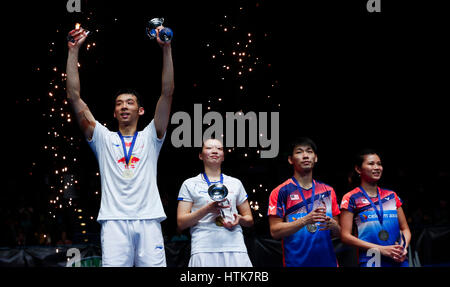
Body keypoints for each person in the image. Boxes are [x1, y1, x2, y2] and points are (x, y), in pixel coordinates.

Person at [65, 25, 174, 266]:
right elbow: (74, 97)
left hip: (149, 221)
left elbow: (167, 93)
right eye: (119, 104)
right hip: (114, 223)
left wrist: (166, 49)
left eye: (130, 102)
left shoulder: (151, 136)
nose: (124, 106)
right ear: (114, 113)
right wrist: (73, 52)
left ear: (141, 110)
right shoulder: (103, 139)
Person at [177, 138, 254, 267]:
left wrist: (239, 219)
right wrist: (207, 209)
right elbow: (181, 223)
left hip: (235, 245)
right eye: (209, 148)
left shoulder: (236, 183)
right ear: (201, 156)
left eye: (219, 149)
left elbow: (250, 220)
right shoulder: (189, 184)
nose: (214, 151)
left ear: (223, 156)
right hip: (203, 247)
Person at [268, 137, 341, 267]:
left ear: (316, 158)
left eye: (309, 151)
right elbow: (275, 231)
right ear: (291, 160)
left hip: (328, 263)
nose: (306, 156)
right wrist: (305, 220)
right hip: (296, 263)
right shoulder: (280, 192)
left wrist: (334, 226)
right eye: (299, 152)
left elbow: (339, 232)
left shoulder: (328, 191)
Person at [340, 148, 411, 267]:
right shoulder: (351, 197)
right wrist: (381, 249)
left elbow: (405, 229)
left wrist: (403, 247)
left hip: (397, 257)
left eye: (379, 164)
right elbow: (345, 236)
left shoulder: (391, 196)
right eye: (371, 164)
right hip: (371, 259)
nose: (377, 167)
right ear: (358, 169)